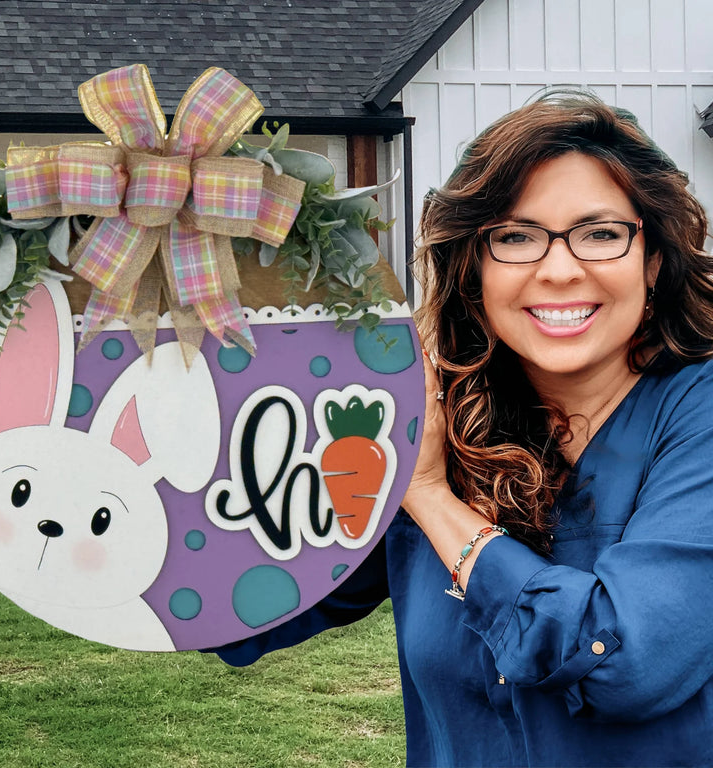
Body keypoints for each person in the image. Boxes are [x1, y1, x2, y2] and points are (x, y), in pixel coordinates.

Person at [213, 91, 713, 767]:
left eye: (600, 233)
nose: (560, 269)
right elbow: (247, 608)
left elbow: (621, 662)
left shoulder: (697, 418)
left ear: (651, 261)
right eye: (514, 237)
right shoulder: (437, 418)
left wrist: (427, 495)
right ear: (473, 270)